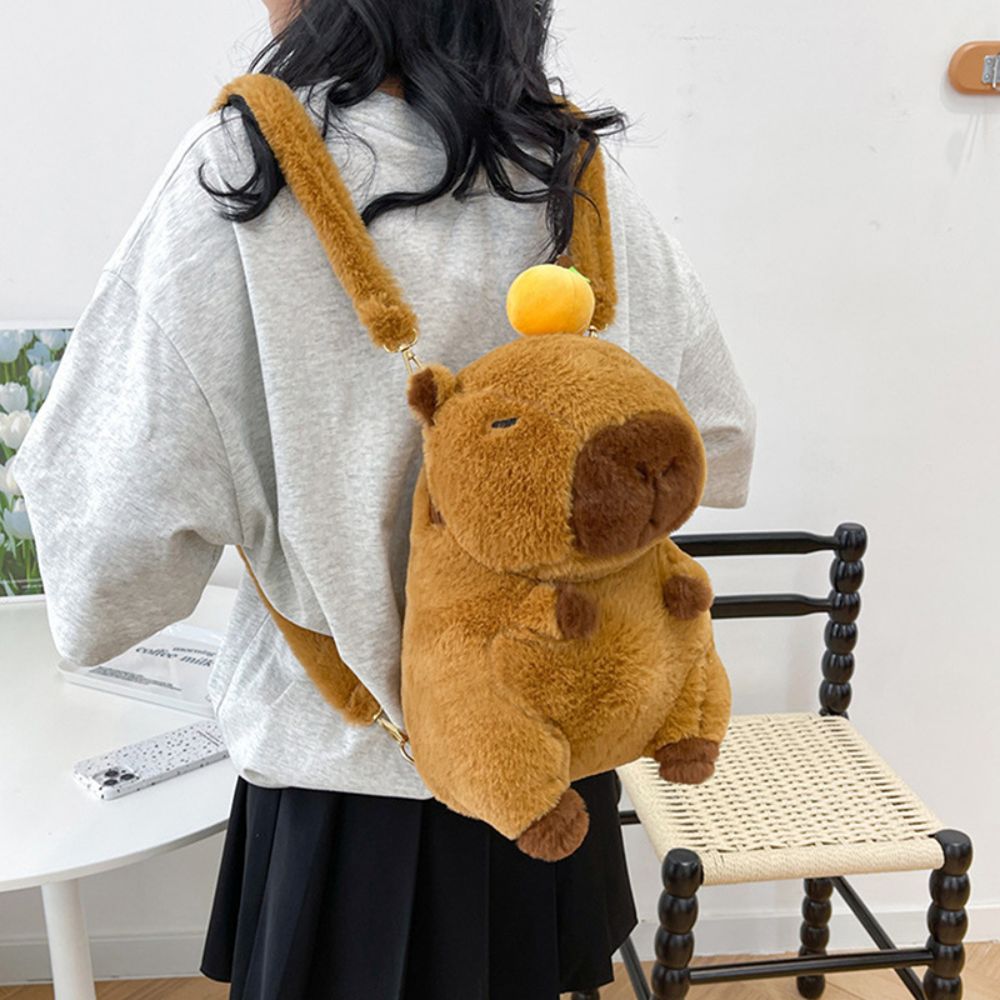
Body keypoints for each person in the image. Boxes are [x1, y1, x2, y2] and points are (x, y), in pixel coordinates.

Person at [12, 0, 756, 996]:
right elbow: (717, 433)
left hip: (348, 794)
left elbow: (106, 556)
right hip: (555, 758)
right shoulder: (567, 166)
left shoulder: (250, 165)